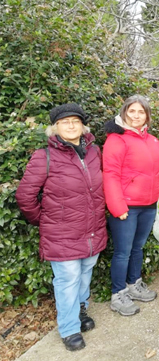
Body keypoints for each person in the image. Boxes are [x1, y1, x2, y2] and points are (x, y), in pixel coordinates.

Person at [16, 104, 107, 352]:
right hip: (62, 234)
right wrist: (44, 220)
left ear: (83, 126)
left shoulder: (93, 152)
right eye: (64, 121)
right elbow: (25, 196)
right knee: (67, 279)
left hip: (92, 229)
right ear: (54, 127)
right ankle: (69, 328)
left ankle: (79, 309)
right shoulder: (43, 156)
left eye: (75, 121)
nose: (70, 125)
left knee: (86, 271)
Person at [103, 95, 159, 316]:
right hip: (126, 207)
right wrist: (118, 206)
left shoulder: (152, 141)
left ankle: (134, 284)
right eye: (132, 111)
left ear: (147, 116)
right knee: (123, 252)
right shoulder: (117, 140)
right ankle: (118, 293)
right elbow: (111, 174)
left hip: (149, 204)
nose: (136, 116)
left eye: (141, 112)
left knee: (138, 248)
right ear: (124, 113)